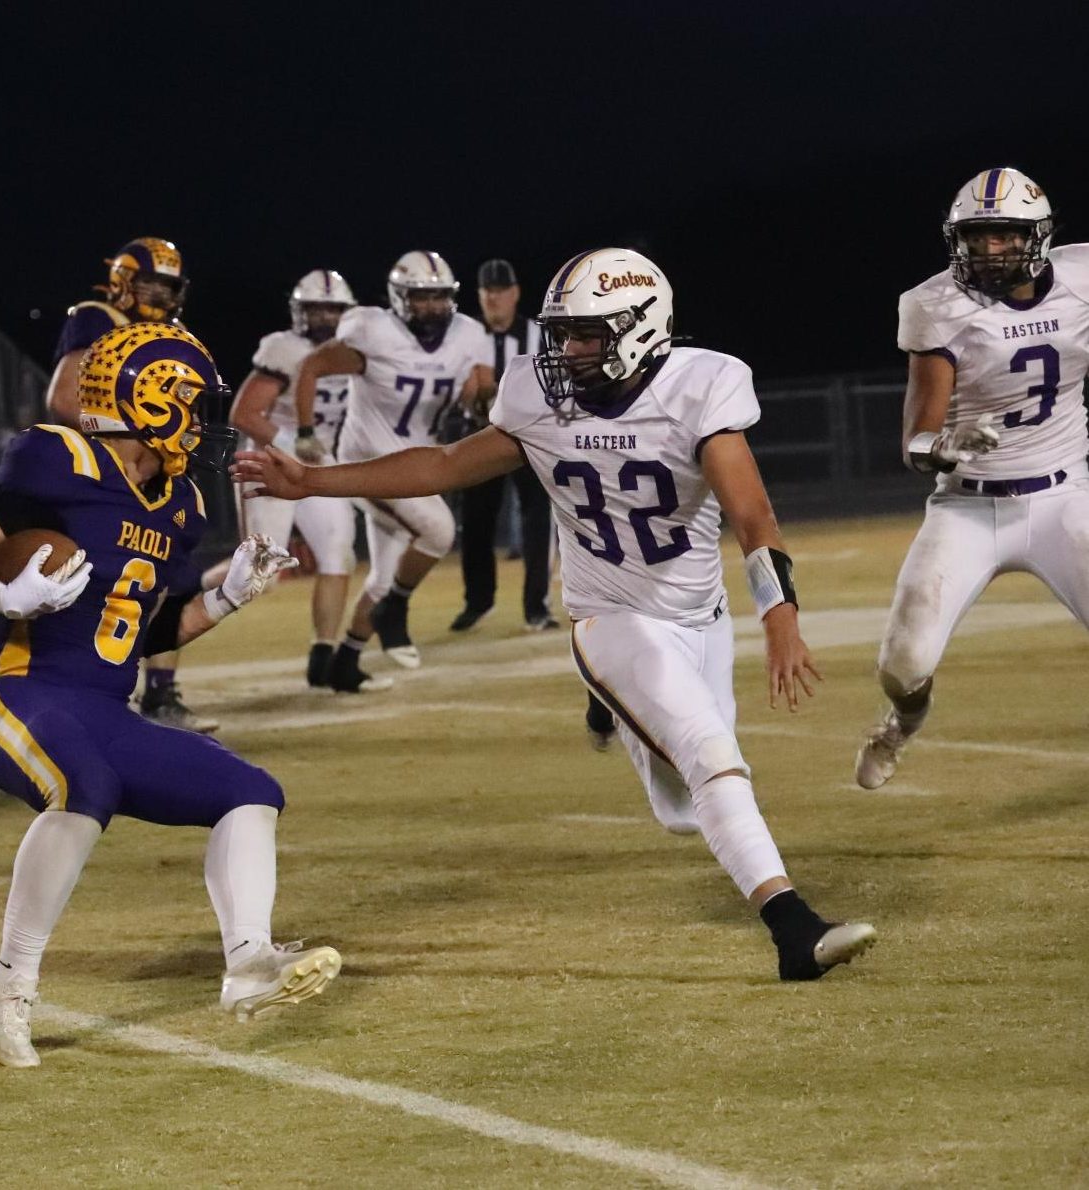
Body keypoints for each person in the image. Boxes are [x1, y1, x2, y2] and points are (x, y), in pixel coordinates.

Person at [237, 248, 877, 981]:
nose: (564, 351)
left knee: (686, 803)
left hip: (697, 617)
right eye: (562, 332)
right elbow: (444, 465)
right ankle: (793, 931)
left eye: (584, 335)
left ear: (639, 329)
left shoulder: (701, 387)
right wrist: (313, 481)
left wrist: (778, 616)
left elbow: (752, 515)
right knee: (710, 756)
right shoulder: (539, 400)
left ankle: (616, 709)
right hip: (608, 615)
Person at [0, 322, 340, 1068]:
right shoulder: (55, 458)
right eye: (189, 399)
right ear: (149, 398)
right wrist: (3, 592)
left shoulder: (179, 505)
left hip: (105, 707)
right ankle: (8, 987)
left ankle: (247, 963)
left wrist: (228, 600)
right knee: (83, 784)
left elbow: (147, 631)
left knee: (248, 790)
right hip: (20, 692)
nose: (201, 418)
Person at [856, 167, 1089, 788]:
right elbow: (914, 441)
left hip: (1063, 496)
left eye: (1004, 236)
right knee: (903, 664)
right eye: (976, 236)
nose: (988, 250)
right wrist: (944, 446)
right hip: (967, 507)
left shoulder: (1081, 278)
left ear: (1037, 237)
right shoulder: (935, 305)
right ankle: (901, 725)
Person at [0, 237, 216, 734]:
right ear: (121, 280)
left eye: (168, 286)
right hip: (90, 475)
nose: (160, 296)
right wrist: (136, 430)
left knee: (170, 577)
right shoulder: (99, 317)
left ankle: (159, 693)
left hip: (139, 471)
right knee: (60, 577)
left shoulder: (168, 337)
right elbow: (62, 396)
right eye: (149, 284)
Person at [292, 251, 495, 676]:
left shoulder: (469, 335)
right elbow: (313, 365)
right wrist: (307, 432)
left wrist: (481, 406)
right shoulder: (373, 330)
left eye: (440, 297)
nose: (433, 307)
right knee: (438, 531)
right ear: (400, 297)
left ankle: (345, 661)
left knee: (385, 575)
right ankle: (395, 610)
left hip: (417, 463)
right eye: (422, 297)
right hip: (367, 459)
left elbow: (480, 391)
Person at [227, 269, 372, 690]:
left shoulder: (354, 352)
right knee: (263, 575)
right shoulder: (283, 348)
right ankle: (188, 587)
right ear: (299, 312)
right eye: (317, 308)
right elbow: (245, 413)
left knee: (338, 554)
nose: (325, 316)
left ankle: (323, 657)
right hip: (270, 462)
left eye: (333, 308)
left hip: (317, 466)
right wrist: (293, 440)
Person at [449, 259, 556, 634]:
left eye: (500, 291)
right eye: (487, 292)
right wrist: (473, 398)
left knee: (538, 523)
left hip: (531, 438)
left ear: (515, 293)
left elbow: (554, 383)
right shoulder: (465, 335)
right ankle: (478, 601)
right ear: (480, 295)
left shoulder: (537, 334)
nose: (494, 298)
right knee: (476, 523)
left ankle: (537, 607)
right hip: (479, 436)